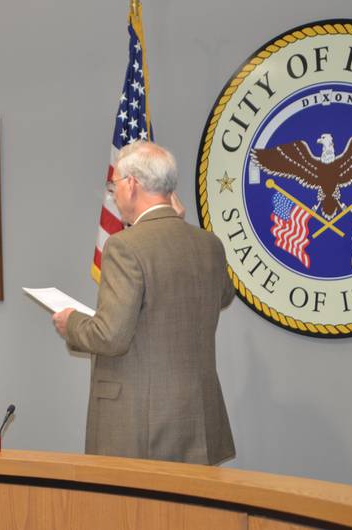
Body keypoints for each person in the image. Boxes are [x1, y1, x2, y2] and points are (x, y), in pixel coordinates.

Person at [51, 141, 235, 465]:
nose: (114, 194)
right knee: (191, 514)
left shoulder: (125, 246)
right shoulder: (209, 244)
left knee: (136, 516)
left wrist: (72, 324)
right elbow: (222, 296)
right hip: (197, 419)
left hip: (142, 424)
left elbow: (111, 335)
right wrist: (177, 223)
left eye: (115, 185)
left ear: (132, 184)